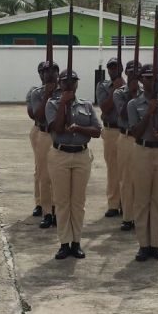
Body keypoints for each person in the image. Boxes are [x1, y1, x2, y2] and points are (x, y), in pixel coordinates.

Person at [48, 69, 101, 259]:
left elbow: (96, 131)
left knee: (78, 202)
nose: (69, 85)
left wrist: (79, 128)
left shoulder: (86, 105)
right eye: (65, 82)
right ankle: (64, 242)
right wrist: (63, 103)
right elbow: (57, 128)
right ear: (60, 83)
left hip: (81, 154)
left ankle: (76, 241)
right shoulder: (52, 104)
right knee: (62, 201)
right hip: (60, 154)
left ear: (77, 84)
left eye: (73, 82)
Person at [126, 64, 158, 262]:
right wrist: (149, 113)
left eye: (156, 78)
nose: (153, 81)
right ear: (141, 80)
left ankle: (155, 243)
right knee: (141, 200)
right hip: (142, 151)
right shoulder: (134, 104)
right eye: (148, 78)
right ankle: (143, 245)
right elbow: (135, 132)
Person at [28, 61, 60, 228]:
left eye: (52, 72)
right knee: (44, 175)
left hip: (60, 136)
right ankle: (47, 211)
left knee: (59, 176)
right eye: (45, 72)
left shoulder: (64, 92)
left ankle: (58, 209)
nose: (48, 75)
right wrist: (47, 95)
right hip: (44, 134)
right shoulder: (37, 93)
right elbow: (38, 117)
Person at [111, 60, 141, 232]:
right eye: (131, 72)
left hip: (141, 138)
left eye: (136, 73)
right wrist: (131, 93)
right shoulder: (119, 93)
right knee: (126, 179)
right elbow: (122, 113)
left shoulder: (146, 93)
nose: (133, 75)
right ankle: (128, 216)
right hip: (126, 137)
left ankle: (140, 215)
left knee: (141, 179)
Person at [96, 57, 124, 218]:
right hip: (111, 131)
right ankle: (113, 203)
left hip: (126, 131)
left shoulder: (131, 88)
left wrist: (124, 88)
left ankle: (126, 202)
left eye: (116, 67)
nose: (113, 70)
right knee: (113, 169)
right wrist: (115, 90)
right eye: (110, 68)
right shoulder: (103, 86)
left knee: (127, 169)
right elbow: (105, 108)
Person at [26, 63, 49, 217]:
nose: (45, 75)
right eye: (43, 72)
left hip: (54, 132)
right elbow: (33, 113)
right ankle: (40, 202)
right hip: (39, 129)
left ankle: (53, 203)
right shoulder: (34, 92)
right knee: (40, 168)